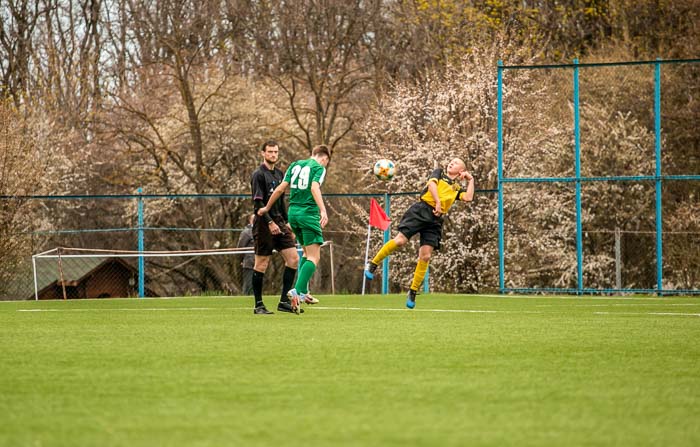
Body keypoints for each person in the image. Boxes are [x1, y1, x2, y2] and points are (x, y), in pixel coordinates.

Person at [364, 157, 474, 309]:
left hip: (435, 220)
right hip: (421, 210)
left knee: (426, 256)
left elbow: (468, 197)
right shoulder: (439, 173)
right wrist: (437, 202)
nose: (451, 163)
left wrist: (471, 179)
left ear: (461, 171)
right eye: (451, 161)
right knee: (400, 241)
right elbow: (431, 186)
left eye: (455, 163)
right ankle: (373, 263)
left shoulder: (456, 188)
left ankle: (413, 291)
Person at [258, 144, 332, 314]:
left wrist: (267, 208)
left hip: (293, 214)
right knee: (314, 257)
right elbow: (314, 187)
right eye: (326, 162)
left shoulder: (295, 165)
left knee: (306, 253)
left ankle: (304, 291)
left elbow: (280, 189)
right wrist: (323, 210)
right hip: (308, 214)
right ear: (324, 158)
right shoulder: (318, 168)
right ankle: (296, 292)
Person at [250, 140, 300, 315]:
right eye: (270, 152)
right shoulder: (258, 174)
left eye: (276, 152)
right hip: (264, 223)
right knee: (262, 263)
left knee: (293, 259)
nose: (273, 155)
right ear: (263, 153)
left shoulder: (280, 174)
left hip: (279, 221)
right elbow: (258, 203)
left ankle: (283, 302)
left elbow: (280, 201)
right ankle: (258, 305)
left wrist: (287, 222)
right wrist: (270, 222)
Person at [236, 214, 255, 296]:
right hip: (249, 262)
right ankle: (245, 298)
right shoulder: (246, 232)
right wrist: (241, 260)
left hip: (259, 262)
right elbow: (240, 247)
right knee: (248, 284)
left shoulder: (261, 231)